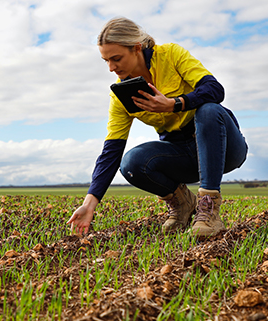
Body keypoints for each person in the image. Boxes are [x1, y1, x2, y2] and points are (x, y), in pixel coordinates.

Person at [68, 17, 248, 237]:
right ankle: (183, 204)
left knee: (209, 110)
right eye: (106, 60)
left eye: (116, 58)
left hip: (224, 147)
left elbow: (215, 89)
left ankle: (208, 210)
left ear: (136, 48)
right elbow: (111, 151)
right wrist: (89, 203)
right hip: (182, 155)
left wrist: (174, 104)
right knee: (132, 162)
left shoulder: (171, 54)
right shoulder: (121, 96)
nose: (111, 67)